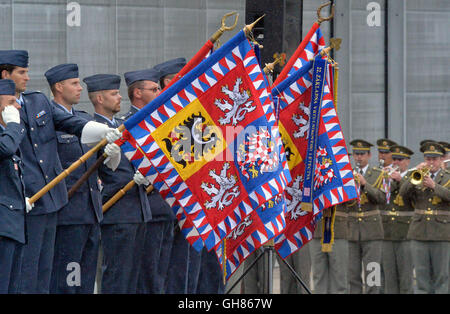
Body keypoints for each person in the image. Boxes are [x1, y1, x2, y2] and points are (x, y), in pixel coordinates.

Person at [0, 50, 120, 293]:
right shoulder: (7, 109)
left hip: (52, 201)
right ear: (5, 75)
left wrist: (100, 131)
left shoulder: (37, 101)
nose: (27, 77)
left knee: (44, 273)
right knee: (26, 275)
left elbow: (69, 122)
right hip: (27, 201)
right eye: (21, 72)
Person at [44, 64, 121, 293]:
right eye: (74, 83)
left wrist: (109, 156)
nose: (80, 88)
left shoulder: (84, 119)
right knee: (68, 279)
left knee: (86, 279)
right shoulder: (49, 121)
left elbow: (102, 167)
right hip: (68, 214)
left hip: (91, 211)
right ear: (59, 87)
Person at [83, 73, 152, 293]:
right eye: (114, 94)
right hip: (117, 209)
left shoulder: (124, 125)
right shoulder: (92, 128)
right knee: (117, 277)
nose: (120, 97)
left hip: (139, 208)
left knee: (134, 278)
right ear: (100, 99)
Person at [122, 67, 177, 293]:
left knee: (163, 273)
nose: (159, 92)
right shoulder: (128, 124)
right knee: (148, 275)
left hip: (168, 205)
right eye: (154, 89)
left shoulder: (163, 122)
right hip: (146, 206)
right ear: (137, 93)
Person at [400, 141, 450, 294]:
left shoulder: (447, 177)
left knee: (441, 277)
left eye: (434, 159)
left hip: (441, 233)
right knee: (421, 278)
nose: (431, 162)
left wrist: (434, 186)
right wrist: (414, 177)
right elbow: (403, 194)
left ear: (441, 160)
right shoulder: (417, 175)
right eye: (428, 159)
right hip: (419, 232)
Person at [0, 79, 28, 293]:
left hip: (13, 223)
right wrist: (13, 126)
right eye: (11, 101)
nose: (17, 106)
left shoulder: (8, 133)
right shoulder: (8, 135)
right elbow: (6, 149)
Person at [347, 139, 385, 294]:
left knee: (372, 274)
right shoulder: (347, 174)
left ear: (369, 155)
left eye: (362, 154)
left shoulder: (379, 174)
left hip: (372, 231)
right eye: (356, 154)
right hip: (351, 230)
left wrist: (364, 184)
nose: (358, 158)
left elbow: (382, 199)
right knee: (352, 275)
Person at [380, 145, 415, 293]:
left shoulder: (414, 178)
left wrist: (401, 180)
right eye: (394, 159)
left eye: (400, 159)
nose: (396, 162)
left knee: (406, 279)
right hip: (387, 233)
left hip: (405, 234)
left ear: (407, 161)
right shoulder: (385, 177)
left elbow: (413, 198)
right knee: (389, 279)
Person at [310, 204, 349, 294]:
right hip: (316, 230)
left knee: (339, 277)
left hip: (338, 230)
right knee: (318, 276)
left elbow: (352, 200)